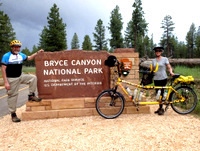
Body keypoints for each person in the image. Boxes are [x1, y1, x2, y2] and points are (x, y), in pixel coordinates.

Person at [1, 40, 44, 122]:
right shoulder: (7, 56)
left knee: (33, 78)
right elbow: (3, 69)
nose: (17, 48)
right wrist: (6, 82)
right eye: (15, 47)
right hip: (11, 78)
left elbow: (29, 57)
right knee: (13, 96)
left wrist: (38, 52)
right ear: (12, 47)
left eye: (18, 47)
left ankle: (31, 96)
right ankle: (13, 114)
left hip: (20, 75)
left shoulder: (21, 55)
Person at [152, 46, 174, 115]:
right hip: (156, 79)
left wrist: (171, 72)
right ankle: (160, 107)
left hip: (163, 78)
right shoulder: (153, 61)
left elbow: (169, 67)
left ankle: (162, 109)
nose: (157, 52)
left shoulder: (165, 59)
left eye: (159, 51)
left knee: (161, 93)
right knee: (158, 94)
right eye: (156, 51)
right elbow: (152, 69)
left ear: (161, 52)